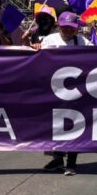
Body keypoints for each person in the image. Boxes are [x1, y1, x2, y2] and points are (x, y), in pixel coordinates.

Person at [40, 12, 89, 175]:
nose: (68, 30)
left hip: (75, 92)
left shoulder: (82, 41)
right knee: (55, 127)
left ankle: (72, 162)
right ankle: (57, 158)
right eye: (65, 27)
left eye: (71, 27)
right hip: (53, 92)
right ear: (59, 26)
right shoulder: (49, 40)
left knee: (74, 126)